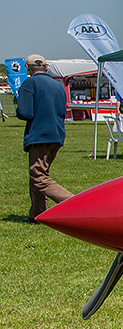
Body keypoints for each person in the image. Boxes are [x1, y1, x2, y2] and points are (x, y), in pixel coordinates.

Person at [15, 54, 73, 220]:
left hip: (39, 135)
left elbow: (25, 112)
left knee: (39, 177)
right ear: (46, 67)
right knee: (39, 173)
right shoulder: (57, 85)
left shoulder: (30, 83)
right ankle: (37, 213)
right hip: (56, 134)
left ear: (28, 68)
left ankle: (73, 202)